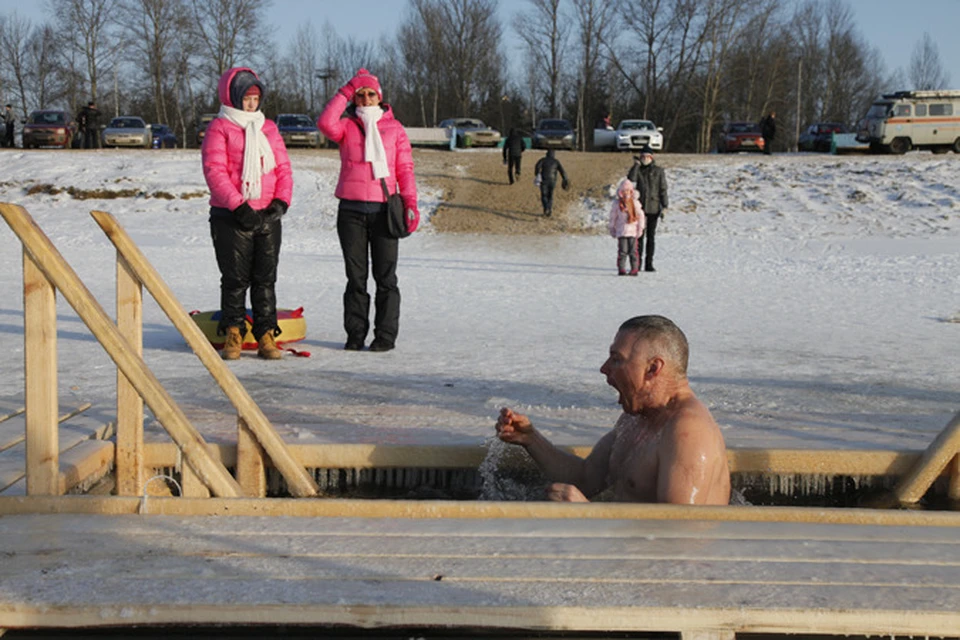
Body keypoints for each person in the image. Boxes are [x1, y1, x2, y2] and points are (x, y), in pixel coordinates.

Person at [496, 315, 731, 505]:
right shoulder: (636, 420)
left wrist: (589, 517)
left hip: (664, 563)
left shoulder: (688, 431)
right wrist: (531, 439)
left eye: (617, 359)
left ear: (652, 368)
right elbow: (586, 478)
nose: (604, 369)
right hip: (630, 556)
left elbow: (680, 536)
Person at [318, 68, 419, 353]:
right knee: (356, 278)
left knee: (386, 278)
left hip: (384, 210)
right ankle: (355, 334)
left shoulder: (395, 128)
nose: (365, 99)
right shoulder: (346, 125)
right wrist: (346, 90)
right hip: (350, 211)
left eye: (370, 94)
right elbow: (325, 123)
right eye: (360, 95)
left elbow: (405, 170)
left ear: (380, 97)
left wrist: (411, 204)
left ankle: (385, 336)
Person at [201, 66, 293, 360]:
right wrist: (239, 206)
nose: (252, 104)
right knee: (235, 279)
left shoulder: (269, 128)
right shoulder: (219, 128)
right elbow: (215, 171)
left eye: (256, 98)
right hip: (232, 216)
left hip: (266, 216)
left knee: (265, 279)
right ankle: (234, 332)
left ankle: (266, 333)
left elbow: (283, 169)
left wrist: (280, 203)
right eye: (247, 98)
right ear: (233, 97)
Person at [627, 145, 668, 272]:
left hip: (654, 208)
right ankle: (637, 263)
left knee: (651, 237)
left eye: (647, 156)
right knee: (639, 237)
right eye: (642, 156)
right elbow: (631, 180)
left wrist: (665, 206)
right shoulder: (638, 170)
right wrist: (636, 165)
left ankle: (649, 263)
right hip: (640, 209)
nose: (645, 159)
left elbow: (663, 190)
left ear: (651, 157)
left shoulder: (659, 171)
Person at [608, 178, 645, 276]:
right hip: (622, 231)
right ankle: (621, 269)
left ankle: (634, 269)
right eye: (624, 191)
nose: (626, 193)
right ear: (620, 192)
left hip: (633, 231)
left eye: (628, 191)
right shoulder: (617, 204)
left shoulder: (635, 203)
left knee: (633, 251)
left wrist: (640, 228)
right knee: (622, 251)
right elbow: (613, 217)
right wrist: (612, 228)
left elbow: (640, 216)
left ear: (631, 191)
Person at [533, 149, 568, 218]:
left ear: (547, 154)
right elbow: (562, 171)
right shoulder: (556, 161)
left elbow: (537, 166)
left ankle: (546, 208)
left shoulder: (543, 160)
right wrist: (565, 179)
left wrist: (537, 174)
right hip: (553, 181)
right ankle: (549, 211)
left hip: (544, 180)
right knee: (550, 196)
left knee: (544, 195)